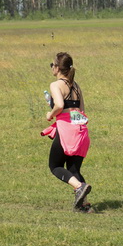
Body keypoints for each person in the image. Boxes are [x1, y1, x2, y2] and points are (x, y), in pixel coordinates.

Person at [41, 52, 93, 212]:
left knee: (55, 166)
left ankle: (79, 187)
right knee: (73, 169)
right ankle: (84, 205)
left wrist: (51, 114)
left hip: (66, 131)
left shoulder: (55, 85)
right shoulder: (76, 86)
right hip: (81, 131)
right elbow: (81, 111)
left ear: (57, 68)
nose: (52, 67)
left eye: (52, 65)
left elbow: (59, 105)